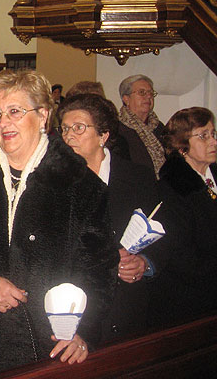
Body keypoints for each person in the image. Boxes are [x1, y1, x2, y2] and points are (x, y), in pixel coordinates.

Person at [0, 70, 117, 377]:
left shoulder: (79, 183)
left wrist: (85, 330)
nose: (3, 123)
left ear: (43, 116)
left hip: (44, 338)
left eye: (15, 111)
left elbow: (98, 266)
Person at [57, 94, 167, 342]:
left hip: (129, 303)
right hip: (80, 306)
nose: (68, 136)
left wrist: (145, 263)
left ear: (103, 135)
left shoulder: (137, 176)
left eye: (78, 128)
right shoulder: (55, 182)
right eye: (64, 129)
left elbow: (161, 227)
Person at [153, 107, 217, 325]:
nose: (213, 142)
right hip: (192, 299)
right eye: (203, 136)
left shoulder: (213, 173)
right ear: (182, 146)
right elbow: (181, 258)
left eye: (213, 134)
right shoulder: (172, 186)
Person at [117, 75, 165, 175]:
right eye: (142, 92)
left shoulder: (160, 128)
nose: (148, 97)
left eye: (151, 93)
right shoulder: (117, 129)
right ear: (126, 99)